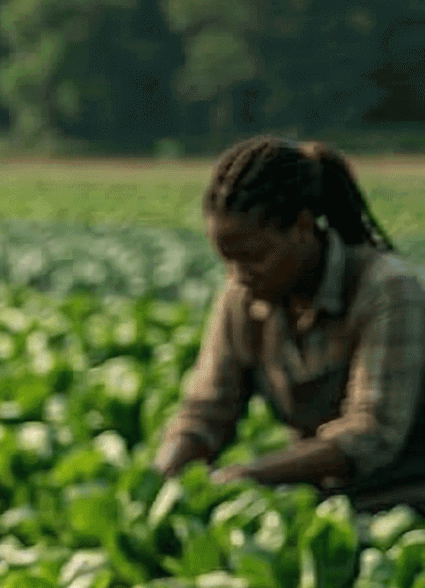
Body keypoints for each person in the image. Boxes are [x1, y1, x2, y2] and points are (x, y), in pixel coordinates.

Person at [156, 136, 424, 509]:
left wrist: (246, 476)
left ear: (301, 227)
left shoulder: (386, 288)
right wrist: (164, 477)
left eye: (253, 257)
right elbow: (207, 410)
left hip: (406, 501)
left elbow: (373, 433)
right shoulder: (244, 295)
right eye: (227, 260)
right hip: (322, 502)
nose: (238, 274)